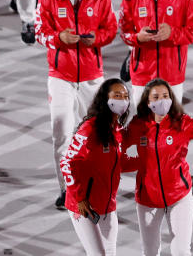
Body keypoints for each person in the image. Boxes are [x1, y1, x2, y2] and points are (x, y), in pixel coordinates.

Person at [35, 0, 117, 210]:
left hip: (92, 77)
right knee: (62, 131)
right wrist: (59, 38)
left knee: (95, 135)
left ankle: (96, 186)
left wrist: (97, 39)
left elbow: (111, 28)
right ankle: (67, 189)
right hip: (61, 76)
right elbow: (39, 31)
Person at [122, 79, 193, 256]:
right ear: (148, 102)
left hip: (179, 196)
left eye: (165, 96)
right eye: (156, 97)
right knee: (149, 251)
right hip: (147, 199)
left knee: (181, 251)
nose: (162, 100)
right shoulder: (138, 125)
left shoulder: (182, 122)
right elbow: (118, 150)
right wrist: (138, 163)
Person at [59, 77, 130, 256]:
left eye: (125, 96)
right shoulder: (89, 129)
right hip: (84, 205)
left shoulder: (118, 130)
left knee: (109, 253)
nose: (122, 100)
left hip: (108, 204)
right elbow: (67, 163)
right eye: (117, 95)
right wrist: (80, 198)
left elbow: (117, 163)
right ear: (105, 99)